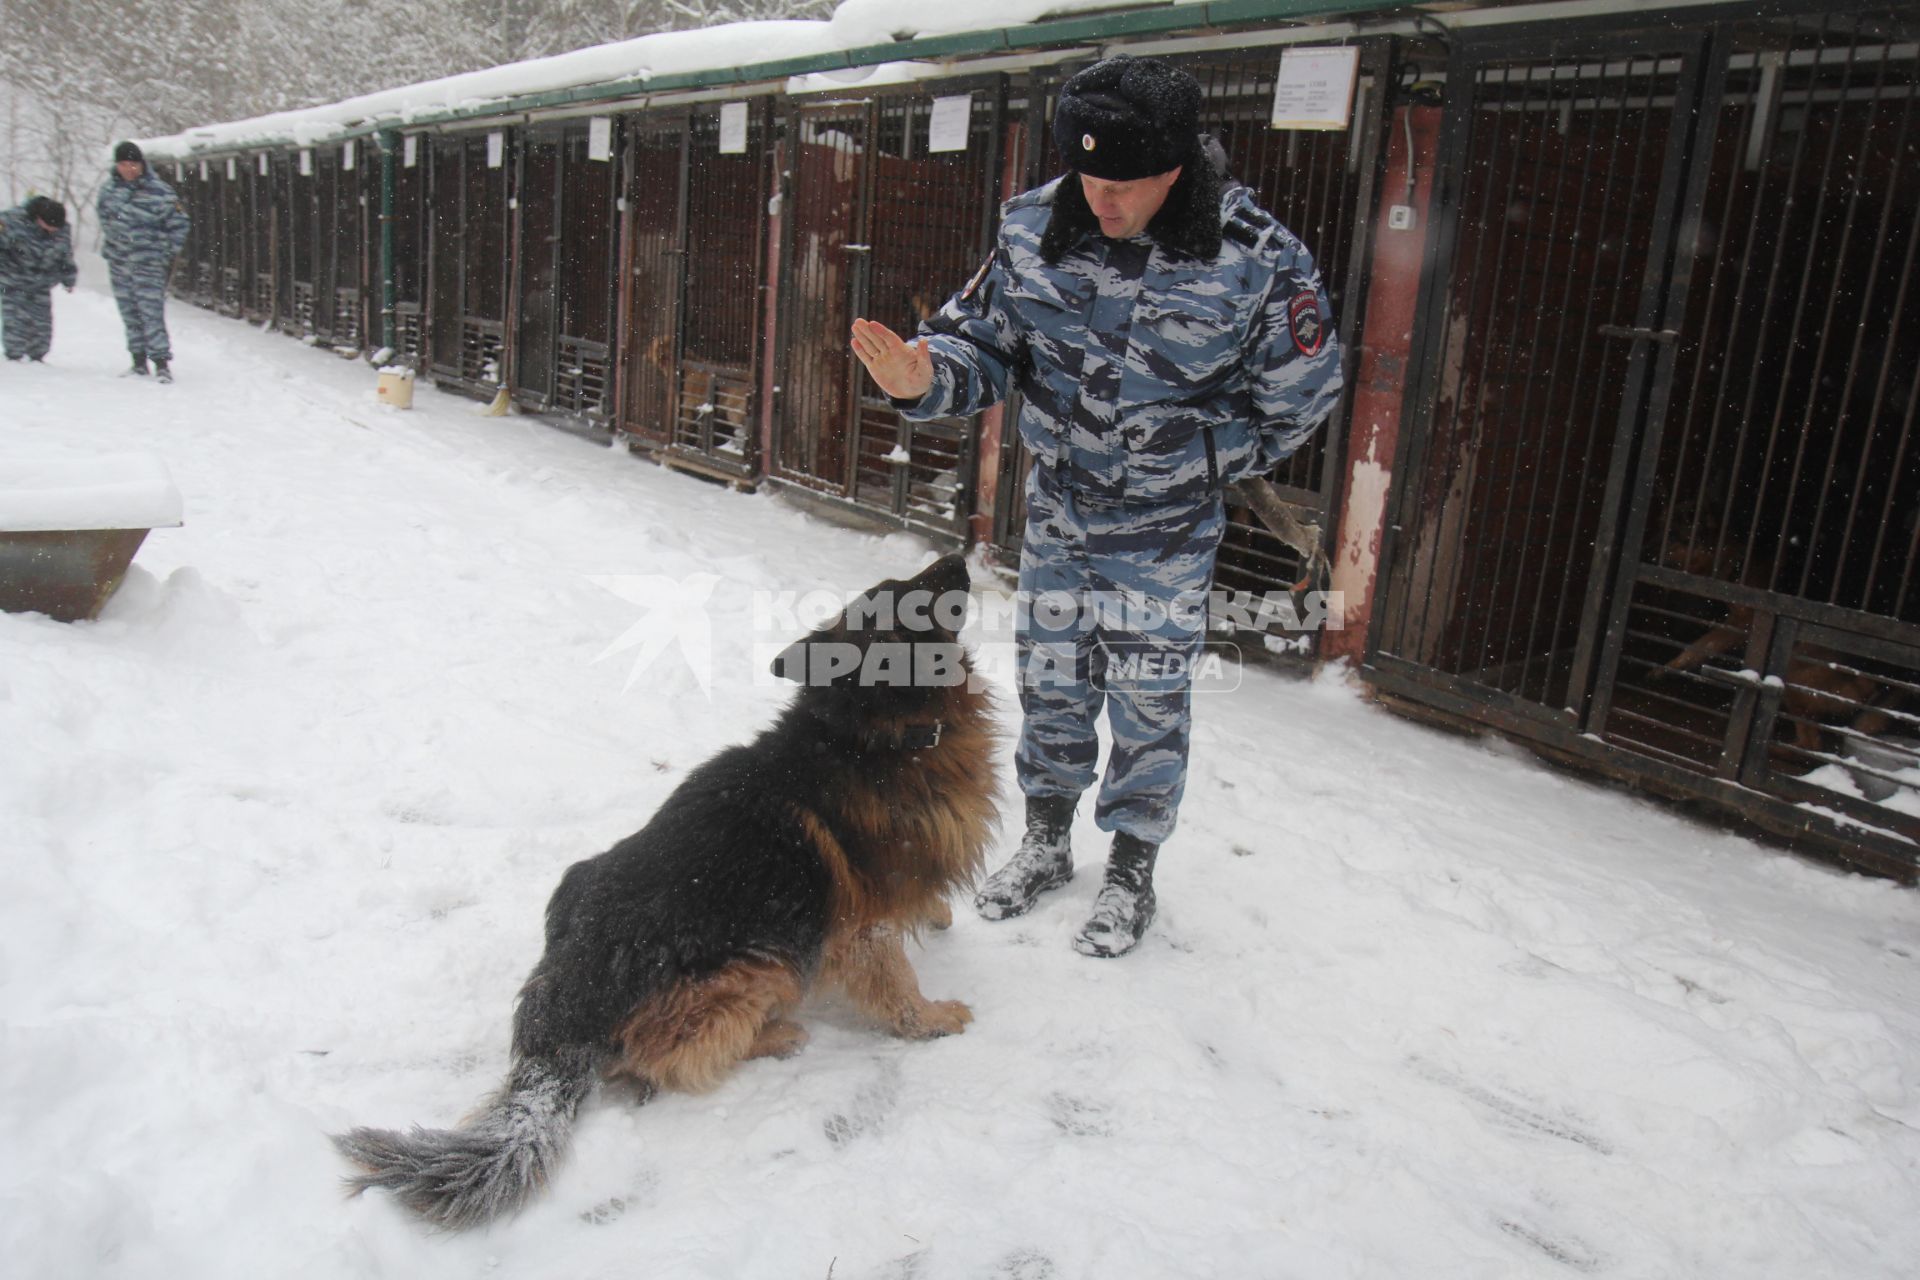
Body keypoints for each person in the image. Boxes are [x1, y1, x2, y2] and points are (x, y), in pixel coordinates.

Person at [848, 56, 1343, 957]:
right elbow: (982, 344)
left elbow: (1300, 399)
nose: (1101, 202)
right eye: (1088, 177)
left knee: (1150, 697)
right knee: (1053, 683)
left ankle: (1132, 867)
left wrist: (1194, 456)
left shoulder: (1257, 258)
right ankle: (1044, 839)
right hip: (1059, 514)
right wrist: (926, 378)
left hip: (1165, 529)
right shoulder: (1035, 227)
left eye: (1124, 184)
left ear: (1177, 168)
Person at [96, 140, 189, 382]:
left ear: (141, 164)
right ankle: (138, 362)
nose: (129, 169)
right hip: (120, 261)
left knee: (151, 312)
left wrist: (163, 250)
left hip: (149, 262)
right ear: (117, 165)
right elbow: (104, 218)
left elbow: (179, 223)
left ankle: (161, 363)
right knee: (129, 312)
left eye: (133, 164)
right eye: (124, 164)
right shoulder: (108, 191)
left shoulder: (160, 192)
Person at [0, 196, 77, 362]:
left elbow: (65, 254)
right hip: (12, 279)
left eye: (55, 228)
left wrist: (68, 278)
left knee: (42, 323)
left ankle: (38, 356)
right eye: (49, 227)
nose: (52, 231)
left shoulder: (62, 229)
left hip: (42, 281)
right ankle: (14, 356)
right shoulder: (10, 222)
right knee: (15, 320)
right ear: (38, 219)